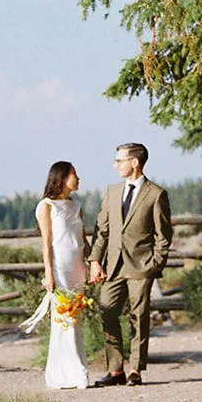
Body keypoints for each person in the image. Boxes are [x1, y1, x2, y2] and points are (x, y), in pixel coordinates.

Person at [87, 141, 172, 386]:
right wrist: (95, 260)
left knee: (139, 315)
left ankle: (135, 369)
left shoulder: (156, 194)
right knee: (107, 310)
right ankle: (115, 370)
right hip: (113, 265)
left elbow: (163, 235)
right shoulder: (112, 192)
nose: (115, 165)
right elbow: (102, 230)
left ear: (134, 162)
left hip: (141, 266)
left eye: (119, 160)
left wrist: (154, 264)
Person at [31, 160, 90, 390]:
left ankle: (75, 370)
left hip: (78, 266)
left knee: (76, 318)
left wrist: (93, 263)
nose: (78, 178)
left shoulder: (76, 205)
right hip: (60, 266)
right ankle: (73, 372)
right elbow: (46, 242)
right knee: (65, 318)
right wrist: (49, 272)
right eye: (74, 174)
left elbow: (83, 239)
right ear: (62, 178)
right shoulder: (46, 206)